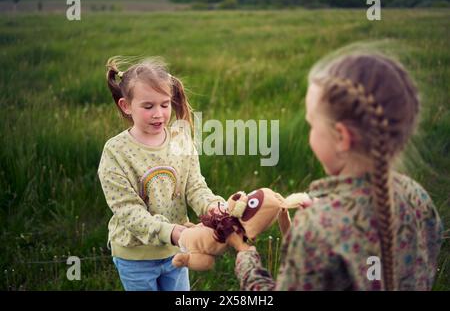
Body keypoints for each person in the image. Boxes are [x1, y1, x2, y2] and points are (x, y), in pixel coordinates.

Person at [227, 52, 443, 291]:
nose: (309, 135)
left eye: (311, 124)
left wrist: (246, 257)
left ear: (341, 137)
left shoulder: (316, 227)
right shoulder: (418, 197)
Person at [98, 56, 225, 291]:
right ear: (126, 106)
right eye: (148, 106)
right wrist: (173, 233)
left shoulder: (180, 138)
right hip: (135, 255)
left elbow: (195, 186)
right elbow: (128, 211)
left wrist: (214, 209)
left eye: (164, 105)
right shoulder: (116, 152)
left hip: (176, 251)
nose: (158, 114)